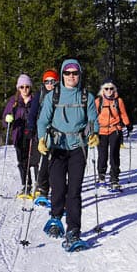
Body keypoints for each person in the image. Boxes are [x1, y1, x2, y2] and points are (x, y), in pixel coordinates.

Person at [36, 59, 100, 251]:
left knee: (74, 191)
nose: (71, 76)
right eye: (67, 72)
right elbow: (43, 120)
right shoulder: (53, 97)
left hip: (78, 147)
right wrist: (41, 139)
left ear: (80, 75)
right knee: (57, 186)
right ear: (62, 75)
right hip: (57, 146)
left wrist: (94, 133)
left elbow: (93, 120)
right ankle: (55, 218)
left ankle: (73, 231)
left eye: (75, 73)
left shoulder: (85, 97)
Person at [2, 74, 39, 197]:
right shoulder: (13, 101)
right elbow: (5, 119)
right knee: (22, 161)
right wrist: (8, 119)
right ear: (18, 88)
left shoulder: (35, 100)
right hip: (19, 134)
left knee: (35, 160)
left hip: (34, 134)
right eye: (22, 87)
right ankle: (26, 185)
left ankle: (39, 185)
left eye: (27, 86)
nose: (24, 89)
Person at [94, 78, 131, 191]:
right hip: (101, 131)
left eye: (111, 88)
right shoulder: (98, 101)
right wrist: (92, 130)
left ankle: (114, 178)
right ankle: (101, 175)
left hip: (115, 130)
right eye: (106, 89)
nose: (109, 91)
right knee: (102, 154)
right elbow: (93, 116)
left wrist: (128, 124)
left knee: (114, 154)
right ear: (102, 90)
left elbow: (123, 114)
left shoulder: (118, 101)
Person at [27, 69, 59, 202]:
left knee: (56, 161)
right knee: (45, 161)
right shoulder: (40, 95)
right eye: (47, 81)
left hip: (59, 133)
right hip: (44, 133)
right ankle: (43, 190)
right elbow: (33, 113)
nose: (50, 84)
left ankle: (56, 187)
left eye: (53, 81)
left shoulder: (61, 95)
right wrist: (31, 128)